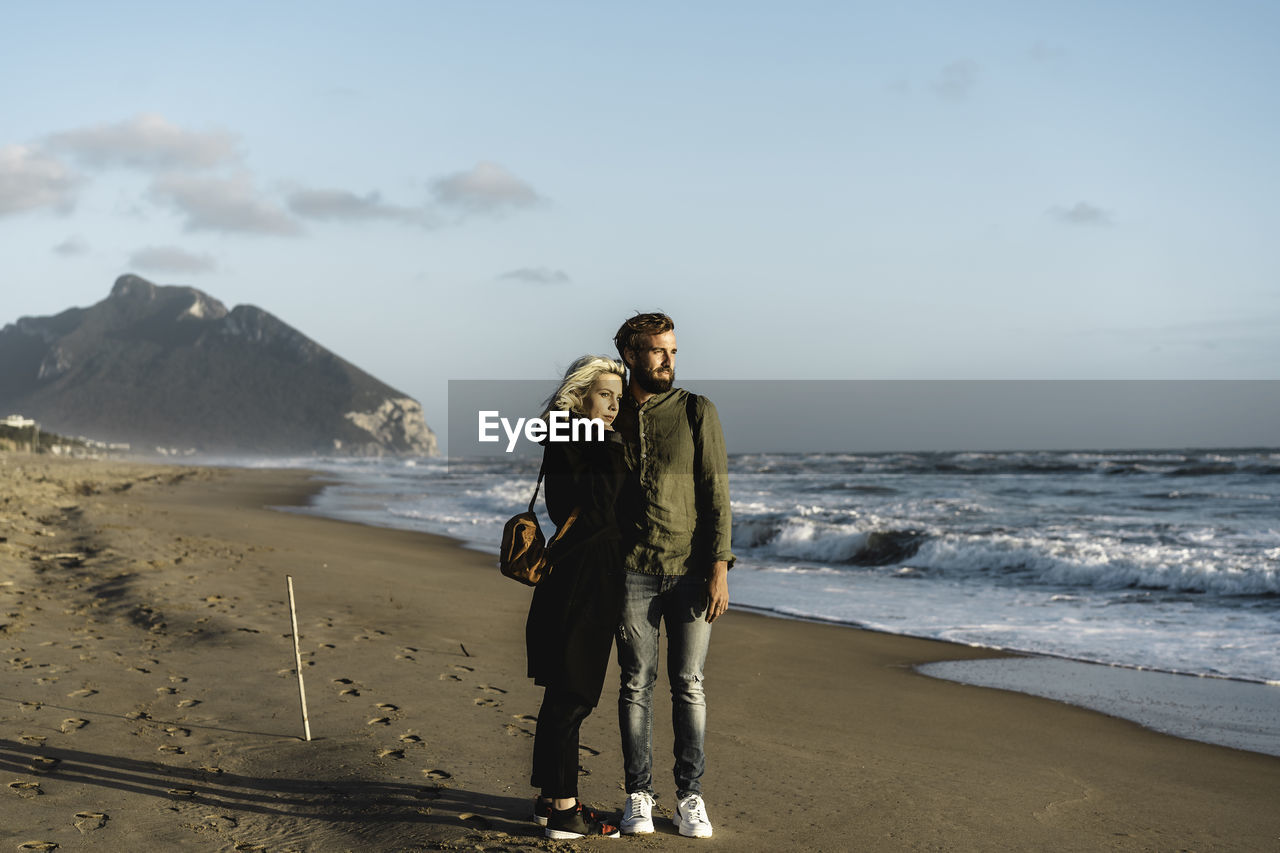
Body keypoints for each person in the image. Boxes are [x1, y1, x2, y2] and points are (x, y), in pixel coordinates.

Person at [610, 313, 733, 839]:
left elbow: (716, 494)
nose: (668, 360)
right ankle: (639, 797)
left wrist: (719, 569)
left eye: (674, 351)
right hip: (631, 571)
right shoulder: (608, 413)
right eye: (658, 351)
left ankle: (689, 799)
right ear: (631, 355)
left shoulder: (696, 411)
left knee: (689, 685)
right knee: (636, 684)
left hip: (689, 570)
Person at [525, 355, 630, 840]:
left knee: (563, 695)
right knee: (575, 696)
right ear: (580, 393)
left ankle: (551, 802)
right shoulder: (587, 440)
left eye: (618, 398)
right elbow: (601, 508)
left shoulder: (562, 437)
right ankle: (565, 811)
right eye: (605, 395)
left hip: (568, 576)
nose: (614, 406)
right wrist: (613, 446)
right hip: (586, 580)